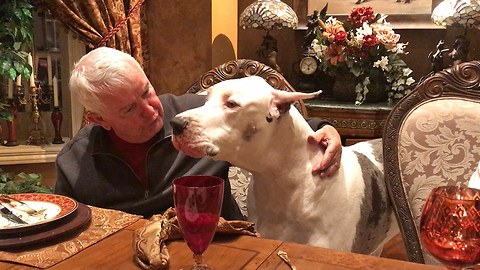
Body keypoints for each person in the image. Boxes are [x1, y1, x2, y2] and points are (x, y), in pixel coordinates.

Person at [54, 47, 343, 219]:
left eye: (147, 91)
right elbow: (69, 233)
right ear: (98, 119)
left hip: (223, 252)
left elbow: (282, 124)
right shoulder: (75, 163)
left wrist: (326, 129)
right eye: (129, 110)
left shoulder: (196, 114)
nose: (151, 110)